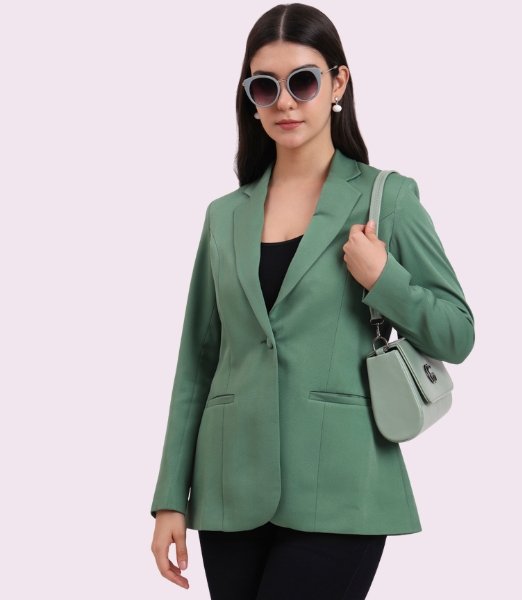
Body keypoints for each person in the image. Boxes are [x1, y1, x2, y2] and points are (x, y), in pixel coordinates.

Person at [150, 3, 475, 598]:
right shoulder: (224, 217)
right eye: (265, 86)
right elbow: (197, 362)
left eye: (302, 81)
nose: (285, 102)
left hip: (342, 487)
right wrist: (171, 495)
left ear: (338, 83)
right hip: (228, 492)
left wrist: (384, 279)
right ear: (250, 97)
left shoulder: (387, 199)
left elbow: (457, 332)